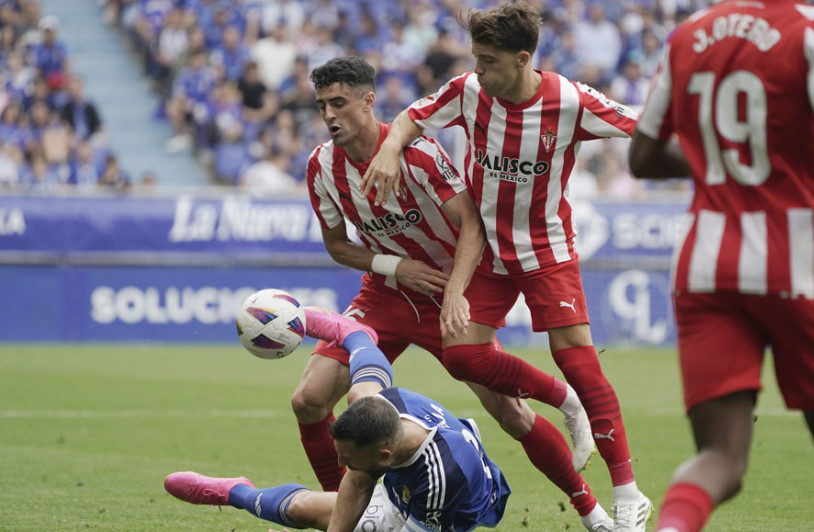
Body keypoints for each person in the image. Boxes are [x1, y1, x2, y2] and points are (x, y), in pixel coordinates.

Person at [362, 4, 651, 530]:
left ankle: (628, 493)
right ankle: (567, 404)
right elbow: (410, 116)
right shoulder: (469, 91)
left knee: (579, 361)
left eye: (488, 62)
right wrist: (390, 151)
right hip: (488, 251)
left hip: (546, 251)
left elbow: (643, 125)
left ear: (522, 60)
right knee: (465, 356)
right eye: (475, 59)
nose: (478, 71)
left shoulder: (570, 100)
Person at [299, 56, 612, 531]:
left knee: (511, 414)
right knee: (309, 399)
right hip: (385, 295)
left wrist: (456, 292)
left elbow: (473, 224)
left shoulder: (419, 154)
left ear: (368, 101)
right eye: (322, 106)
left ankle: (591, 511)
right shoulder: (321, 165)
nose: (329, 116)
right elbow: (338, 246)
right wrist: (396, 266)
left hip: (449, 290)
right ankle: (341, 508)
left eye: (338, 103)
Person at [627, 1, 814, 531]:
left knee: (721, 459)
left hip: (706, 263)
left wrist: (719, 166)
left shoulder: (688, 35)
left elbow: (643, 158)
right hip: (797, 262)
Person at [165, 308, 510, 531]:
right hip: (411, 474)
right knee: (302, 508)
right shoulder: (374, 406)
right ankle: (233, 491)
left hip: (449, 510)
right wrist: (338, 330)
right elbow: (368, 352)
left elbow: (366, 481)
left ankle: (237, 494)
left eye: (347, 458)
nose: (339, 463)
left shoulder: (440, 479)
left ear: (383, 457)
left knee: (320, 515)